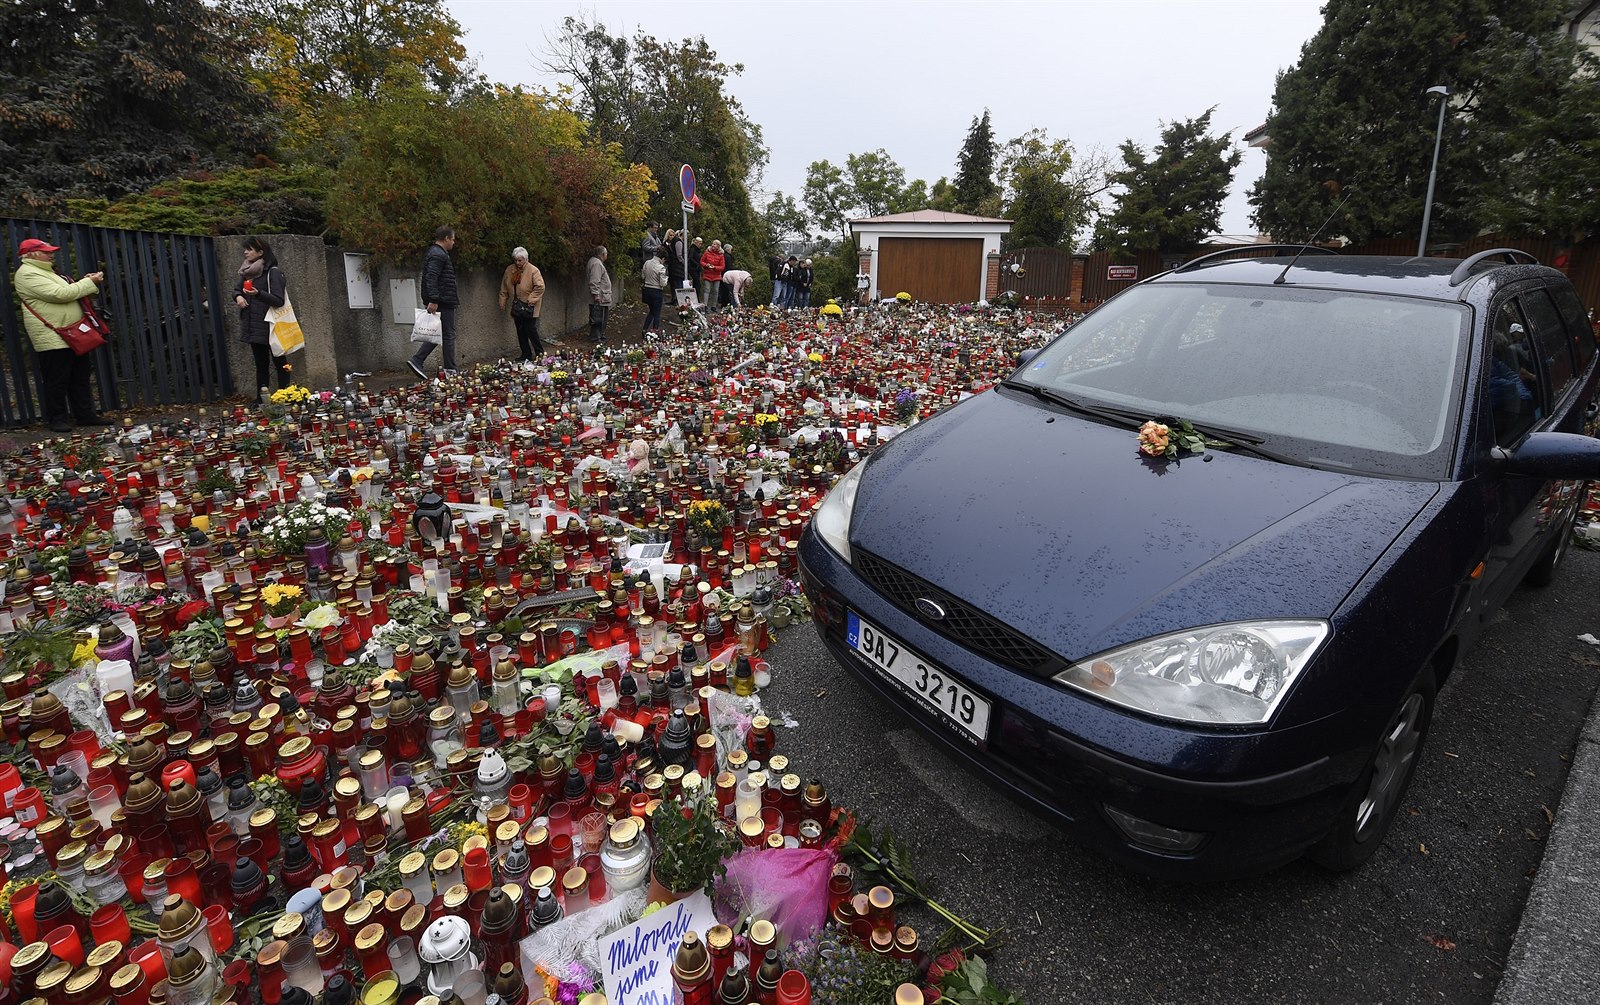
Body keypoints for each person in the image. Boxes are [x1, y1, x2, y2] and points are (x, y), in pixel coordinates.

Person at [13, 238, 110, 432]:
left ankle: (85, 415)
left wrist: (83, 282)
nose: (51, 254)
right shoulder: (27, 273)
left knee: (80, 377)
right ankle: (56, 419)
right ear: (31, 254)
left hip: (71, 333)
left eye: (51, 251)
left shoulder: (47, 271)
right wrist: (88, 282)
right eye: (46, 251)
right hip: (53, 336)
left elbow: (67, 291)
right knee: (57, 380)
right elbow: (60, 294)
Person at [232, 236, 291, 402]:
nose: (245, 252)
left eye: (249, 249)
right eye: (245, 249)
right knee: (260, 364)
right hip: (254, 326)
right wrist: (238, 297)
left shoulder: (274, 272)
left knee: (281, 363)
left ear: (260, 252)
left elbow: (279, 300)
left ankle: (285, 396)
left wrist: (258, 294)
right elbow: (236, 290)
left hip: (272, 326)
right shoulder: (247, 272)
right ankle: (262, 399)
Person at [410, 226, 459, 379]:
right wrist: (434, 299)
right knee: (448, 335)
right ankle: (450, 370)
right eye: (452, 239)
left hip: (442, 299)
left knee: (439, 333)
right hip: (443, 301)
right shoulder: (438, 254)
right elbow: (431, 277)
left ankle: (418, 360)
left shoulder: (437, 253)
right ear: (446, 238)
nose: (453, 242)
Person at [498, 246, 546, 362]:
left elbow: (540, 286)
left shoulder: (533, 270)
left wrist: (531, 299)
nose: (517, 263)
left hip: (529, 306)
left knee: (531, 329)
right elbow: (504, 286)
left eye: (520, 260)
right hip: (517, 305)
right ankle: (526, 353)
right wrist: (502, 300)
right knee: (520, 330)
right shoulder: (510, 270)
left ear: (526, 259)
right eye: (516, 260)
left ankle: (539, 352)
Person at [587, 245, 613, 346]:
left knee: (600, 318)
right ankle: (596, 337)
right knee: (598, 318)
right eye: (606, 254)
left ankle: (599, 335)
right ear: (602, 254)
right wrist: (596, 294)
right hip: (600, 296)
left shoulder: (595, 262)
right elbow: (594, 280)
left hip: (603, 295)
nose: (607, 255)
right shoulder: (597, 264)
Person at [641, 245, 668, 336]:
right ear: (663, 258)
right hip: (656, 291)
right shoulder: (661, 267)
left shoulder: (647, 263)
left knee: (651, 311)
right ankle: (655, 332)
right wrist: (666, 278)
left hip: (647, 289)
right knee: (657, 313)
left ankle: (644, 329)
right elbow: (663, 283)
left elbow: (643, 276)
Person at [699, 240, 726, 311]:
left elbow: (722, 267)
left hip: (716, 275)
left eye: (715, 244)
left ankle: (713, 306)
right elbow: (702, 261)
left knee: (715, 291)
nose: (713, 245)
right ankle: (705, 305)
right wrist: (706, 265)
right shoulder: (707, 252)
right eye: (712, 244)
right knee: (706, 289)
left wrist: (715, 267)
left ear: (718, 246)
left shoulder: (721, 255)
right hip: (707, 273)